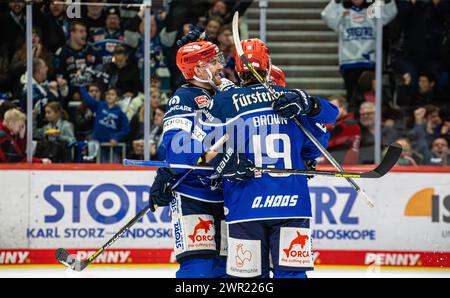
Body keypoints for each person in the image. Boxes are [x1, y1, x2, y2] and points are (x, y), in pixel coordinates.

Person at [202, 38, 338, 278]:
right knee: (292, 275)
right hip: (291, 204)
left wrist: (221, 163)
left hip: (245, 205)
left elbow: (197, 144)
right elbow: (327, 124)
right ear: (269, 65)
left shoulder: (224, 101)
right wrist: (309, 103)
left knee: (248, 281)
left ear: (238, 70)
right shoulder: (290, 99)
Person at [148, 40, 232, 278]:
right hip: (193, 193)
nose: (220, 66)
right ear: (197, 70)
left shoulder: (223, 92)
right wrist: (201, 155)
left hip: (226, 193)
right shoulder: (183, 98)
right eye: (213, 62)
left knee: (225, 268)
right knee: (198, 268)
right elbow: (176, 142)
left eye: (218, 60)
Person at [321, 0, 397, 100]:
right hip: (349, 61)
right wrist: (336, 2)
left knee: (370, 95)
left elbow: (389, 14)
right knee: (352, 95)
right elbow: (327, 16)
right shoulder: (342, 10)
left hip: (369, 60)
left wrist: (388, 2)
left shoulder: (372, 10)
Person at [80, 85, 129, 163]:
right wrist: (82, 86)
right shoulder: (100, 105)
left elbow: (125, 129)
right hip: (97, 144)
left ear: (117, 98)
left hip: (111, 146)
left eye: (112, 94)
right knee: (96, 169)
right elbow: (88, 99)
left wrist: (116, 138)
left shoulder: (120, 113)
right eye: (108, 94)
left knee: (112, 169)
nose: (109, 96)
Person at [326, 95, 361, 164]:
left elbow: (327, 144)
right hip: (337, 163)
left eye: (333, 108)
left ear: (342, 107)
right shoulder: (337, 123)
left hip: (343, 167)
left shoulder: (349, 124)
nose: (330, 111)